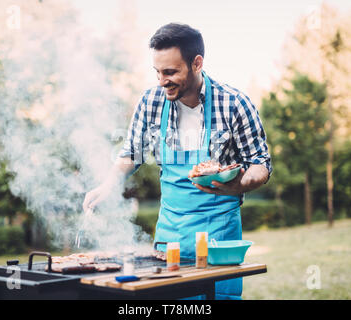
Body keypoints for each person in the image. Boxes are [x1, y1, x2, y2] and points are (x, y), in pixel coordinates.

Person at [82, 23, 272, 300]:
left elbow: (260, 164)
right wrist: (108, 185)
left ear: (197, 63)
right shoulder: (150, 102)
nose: (162, 81)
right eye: (157, 72)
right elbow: (131, 153)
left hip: (219, 236)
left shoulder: (234, 103)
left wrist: (239, 184)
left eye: (170, 72)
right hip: (170, 235)